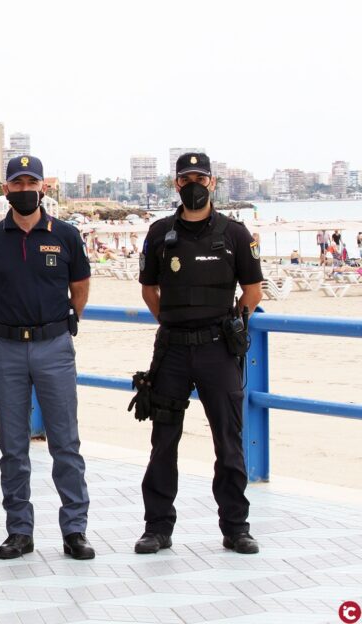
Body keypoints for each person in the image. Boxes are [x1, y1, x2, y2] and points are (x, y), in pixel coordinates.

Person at [134, 153, 263, 556]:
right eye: (186, 178)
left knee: (228, 441)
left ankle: (236, 528)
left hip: (217, 351)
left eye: (200, 178)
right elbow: (149, 290)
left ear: (212, 183)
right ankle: (157, 527)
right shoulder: (159, 233)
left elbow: (253, 290)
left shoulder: (235, 234)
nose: (193, 184)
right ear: (176, 184)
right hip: (171, 351)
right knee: (163, 441)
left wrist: (230, 324)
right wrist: (172, 322)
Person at [0, 155, 95, 561]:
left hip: (54, 347)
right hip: (7, 349)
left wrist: (62, 322)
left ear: (44, 187)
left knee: (65, 443)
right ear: (6, 189)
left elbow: (80, 286)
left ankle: (75, 530)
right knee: (13, 447)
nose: (25, 190)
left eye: (32, 183)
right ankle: (19, 531)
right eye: (17, 183)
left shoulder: (66, 235)